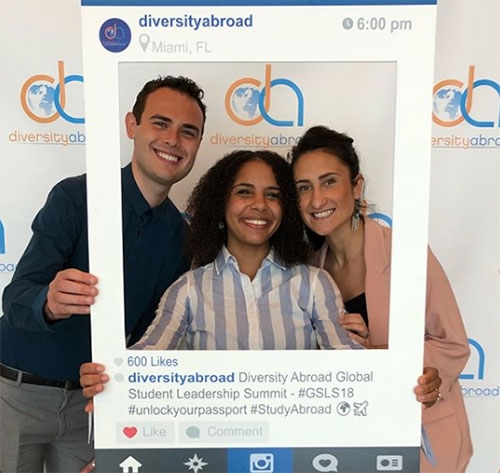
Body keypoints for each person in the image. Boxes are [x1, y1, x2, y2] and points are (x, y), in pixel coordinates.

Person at [0, 75, 207, 473]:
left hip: (93, 407)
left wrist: (129, 415)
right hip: (15, 395)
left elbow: (148, 341)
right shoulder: (75, 198)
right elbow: (16, 297)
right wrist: (50, 302)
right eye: (160, 123)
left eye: (188, 132)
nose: (173, 140)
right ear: (132, 125)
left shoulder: (182, 237)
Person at [80, 149, 362, 392]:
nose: (260, 205)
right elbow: (147, 361)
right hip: (213, 450)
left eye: (272, 195)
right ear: (220, 203)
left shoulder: (314, 284)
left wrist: (399, 380)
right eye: (244, 192)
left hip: (295, 448)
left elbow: (352, 366)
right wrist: (109, 378)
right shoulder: (188, 289)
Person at [289, 125, 473, 473]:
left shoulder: (406, 252)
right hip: (352, 442)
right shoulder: (309, 272)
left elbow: (452, 344)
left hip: (422, 439)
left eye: (329, 181)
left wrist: (384, 360)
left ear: (356, 187)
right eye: (304, 188)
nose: (316, 200)